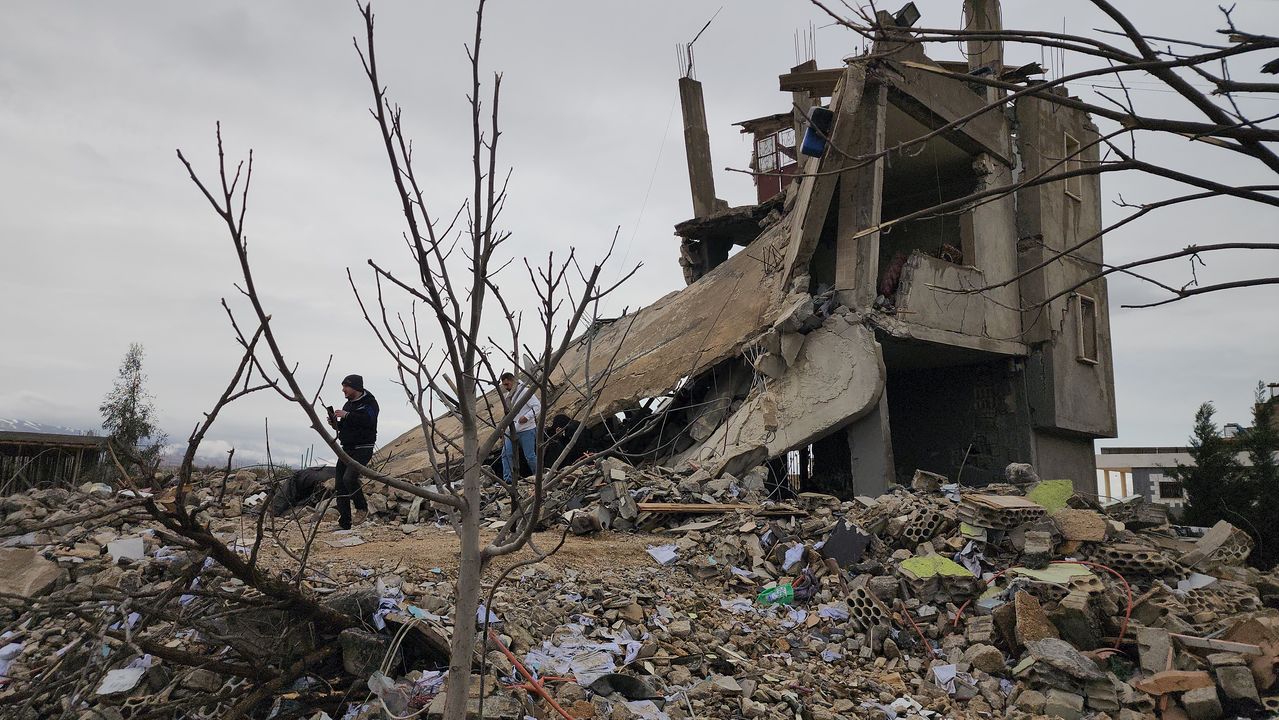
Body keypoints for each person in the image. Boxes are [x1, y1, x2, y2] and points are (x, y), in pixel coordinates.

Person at [328, 374, 379, 530]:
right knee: (340, 485)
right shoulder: (348, 405)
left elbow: (368, 420)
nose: (343, 390)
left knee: (349, 478)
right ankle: (344, 523)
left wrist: (347, 415)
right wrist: (335, 424)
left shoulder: (370, 403)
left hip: (363, 448)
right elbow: (346, 426)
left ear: (355, 387)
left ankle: (362, 508)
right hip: (347, 449)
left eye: (346, 386)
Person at [499, 372, 540, 483]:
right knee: (506, 454)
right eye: (504, 385)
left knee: (530, 455)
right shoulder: (508, 397)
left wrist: (527, 417)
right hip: (512, 430)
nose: (506, 387)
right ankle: (508, 480)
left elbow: (537, 406)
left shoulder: (525, 392)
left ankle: (538, 475)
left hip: (527, 429)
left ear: (512, 381)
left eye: (507, 384)